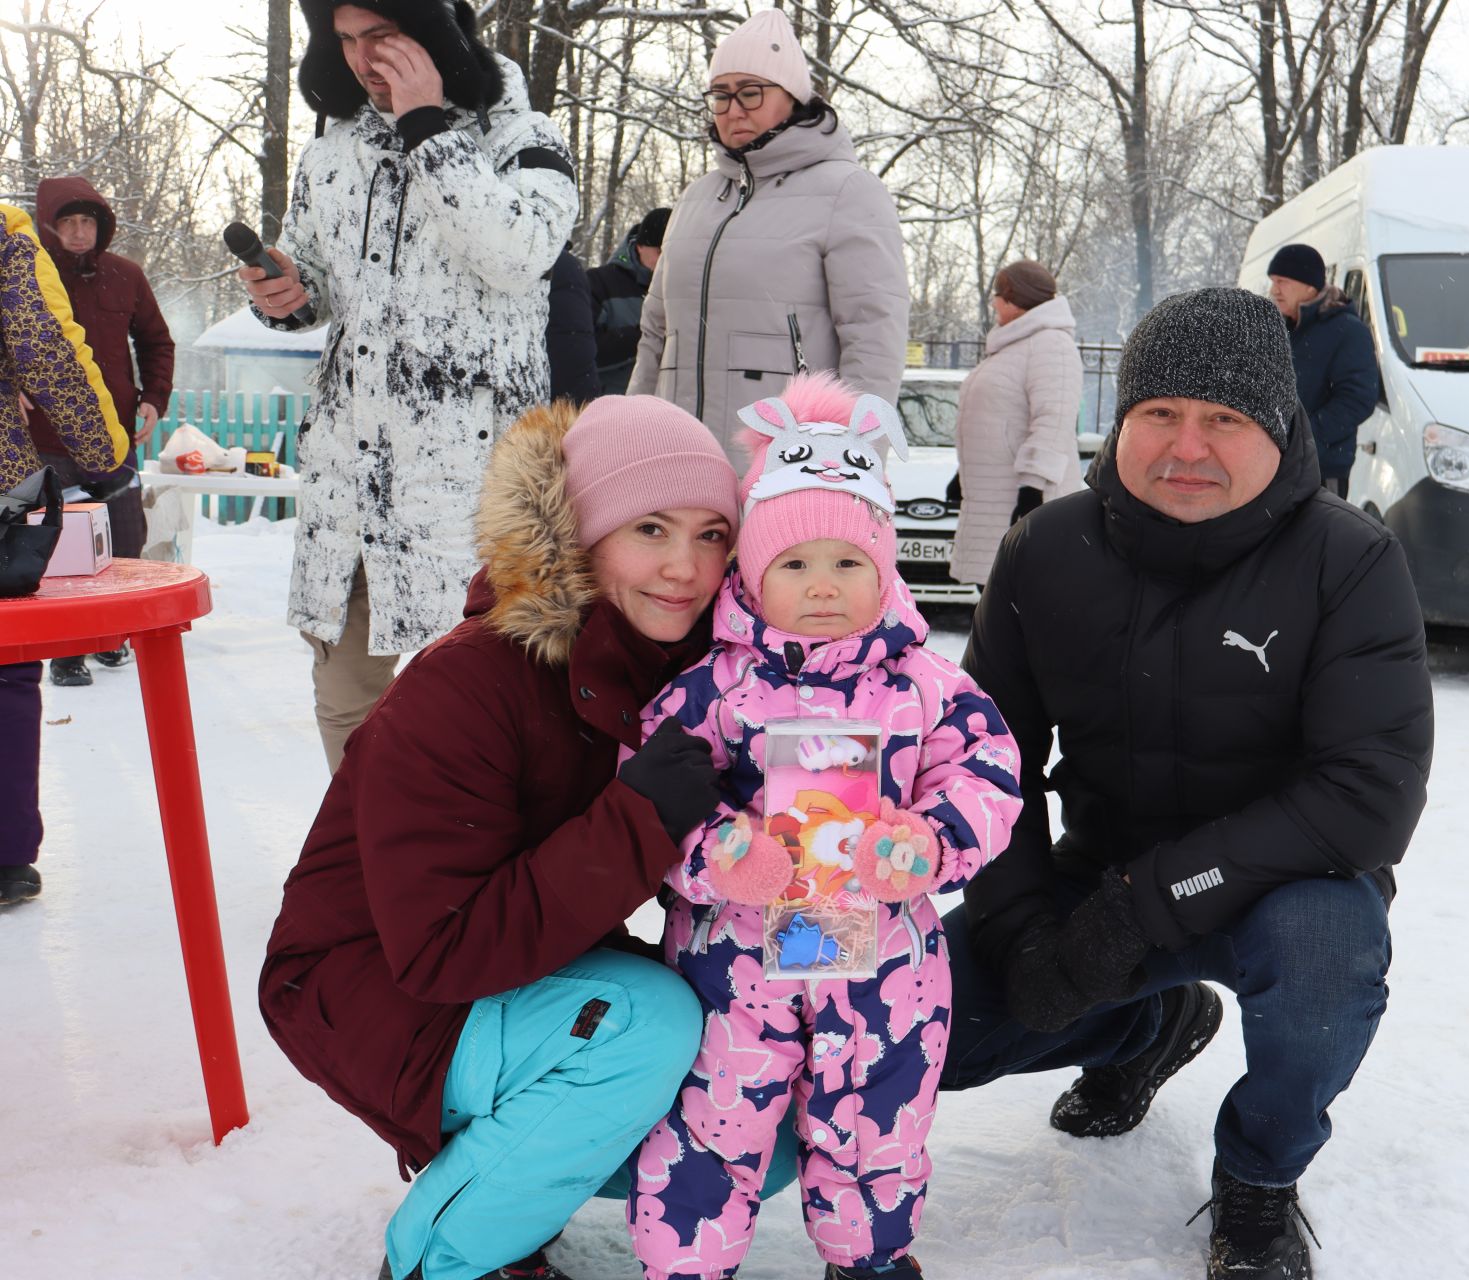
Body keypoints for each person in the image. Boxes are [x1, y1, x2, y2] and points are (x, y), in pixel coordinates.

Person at [944, 288, 1434, 1280]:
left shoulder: (1349, 560)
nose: (1187, 447)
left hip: (1287, 889)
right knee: (927, 1024)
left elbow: (1368, 795)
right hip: (1104, 872)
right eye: (1159, 413)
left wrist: (1146, 907)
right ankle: (1149, 1021)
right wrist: (1022, 932)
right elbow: (978, 760)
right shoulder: (1047, 552)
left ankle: (1259, 1175)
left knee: (1325, 961)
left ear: (1280, 425)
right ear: (1121, 420)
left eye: (1225, 419)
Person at [260, 394, 743, 1280]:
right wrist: (637, 819)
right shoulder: (467, 686)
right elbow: (441, 952)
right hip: (366, 985)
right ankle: (440, 1259)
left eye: (713, 534)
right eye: (650, 527)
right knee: (647, 1026)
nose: (686, 566)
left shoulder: (683, 676)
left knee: (755, 1098)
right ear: (583, 535)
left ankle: (505, 1178)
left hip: (521, 971)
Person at [626, 373, 1020, 1280]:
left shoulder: (927, 688)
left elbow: (989, 773)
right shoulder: (709, 693)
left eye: (848, 563)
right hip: (737, 968)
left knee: (876, 1131)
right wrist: (717, 851)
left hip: (884, 971)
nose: (822, 587)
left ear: (883, 565)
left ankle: (872, 1262)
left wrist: (928, 840)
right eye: (794, 564)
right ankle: (686, 1265)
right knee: (711, 1131)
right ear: (753, 573)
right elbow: (649, 795)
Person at [243, 0, 579, 772]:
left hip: (478, 499)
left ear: (434, 35)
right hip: (349, 491)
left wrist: (431, 130)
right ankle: (363, 878)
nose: (365, 60)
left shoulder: (525, 138)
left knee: (475, 722)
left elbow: (519, 254)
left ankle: (458, 882)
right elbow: (317, 278)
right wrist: (289, 293)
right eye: (348, 41)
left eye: (384, 37)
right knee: (347, 709)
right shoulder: (331, 151)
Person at [627, 9, 909, 472]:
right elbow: (656, 336)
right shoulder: (696, 198)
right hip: (677, 470)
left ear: (792, 98)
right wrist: (630, 438)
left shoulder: (847, 192)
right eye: (721, 95)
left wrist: (854, 465)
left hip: (789, 468)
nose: (734, 109)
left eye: (751, 93)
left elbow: (873, 344)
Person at [0, 201, 126, 906]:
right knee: (5, 672)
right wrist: (102, 449)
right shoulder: (5, 234)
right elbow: (44, 345)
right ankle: (5, 855)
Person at [26, 175, 174, 685]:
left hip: (114, 435)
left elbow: (157, 342)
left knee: (124, 533)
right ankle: (67, 650)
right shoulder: (26, 279)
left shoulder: (126, 275)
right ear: (49, 227)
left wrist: (154, 399)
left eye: (87, 221)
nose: (78, 231)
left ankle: (112, 636)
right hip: (46, 435)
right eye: (67, 222)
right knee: (59, 539)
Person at [949, 260, 1085, 586]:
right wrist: (963, 472)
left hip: (1026, 497)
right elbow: (999, 418)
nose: (994, 302)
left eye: (998, 295)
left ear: (1015, 299)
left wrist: (1033, 487)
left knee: (1025, 598)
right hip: (994, 494)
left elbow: (1054, 419)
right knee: (999, 596)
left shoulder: (1050, 344)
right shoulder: (1014, 345)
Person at [1266, 243, 1379, 499]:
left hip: (1321, 470)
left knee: (1319, 538)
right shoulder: (1278, 329)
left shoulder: (1347, 330)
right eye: (1272, 281)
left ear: (1309, 285)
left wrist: (1304, 437)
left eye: (1282, 281)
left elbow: (1358, 399)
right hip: (1270, 466)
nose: (1274, 290)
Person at [588, 207, 668, 395]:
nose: (666, 260)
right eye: (659, 251)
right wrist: (649, 334)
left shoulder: (687, 290)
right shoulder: (599, 283)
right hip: (613, 406)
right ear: (640, 246)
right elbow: (583, 349)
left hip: (667, 409)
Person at [548, 244, 600, 404]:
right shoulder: (562, 264)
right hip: (562, 402)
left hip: (554, 396)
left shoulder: (559, 264)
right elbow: (574, 345)